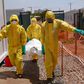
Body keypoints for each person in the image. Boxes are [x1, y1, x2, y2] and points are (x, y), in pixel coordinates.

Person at [41, 10, 84, 83]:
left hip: (55, 46)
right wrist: (42, 45)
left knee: (54, 61)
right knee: (48, 62)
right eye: (48, 19)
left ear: (53, 18)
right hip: (47, 46)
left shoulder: (58, 23)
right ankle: (49, 76)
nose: (49, 20)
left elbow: (66, 26)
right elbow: (42, 36)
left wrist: (75, 30)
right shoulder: (43, 25)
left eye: (50, 19)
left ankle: (52, 71)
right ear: (46, 18)